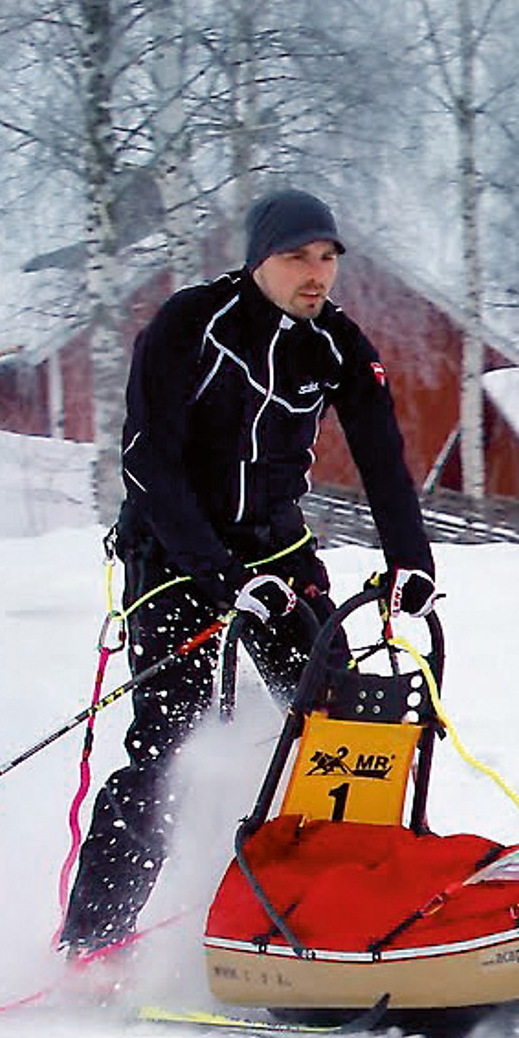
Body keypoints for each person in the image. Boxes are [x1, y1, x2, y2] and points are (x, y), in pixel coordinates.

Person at [60, 188, 438, 957]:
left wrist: (411, 561)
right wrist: (221, 578)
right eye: (298, 256)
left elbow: (384, 461)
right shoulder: (189, 324)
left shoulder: (337, 344)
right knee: (165, 746)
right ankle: (93, 942)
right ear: (258, 259)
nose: (316, 273)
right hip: (173, 556)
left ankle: (340, 914)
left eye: (328, 257)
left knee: (346, 721)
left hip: (277, 553)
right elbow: (147, 464)